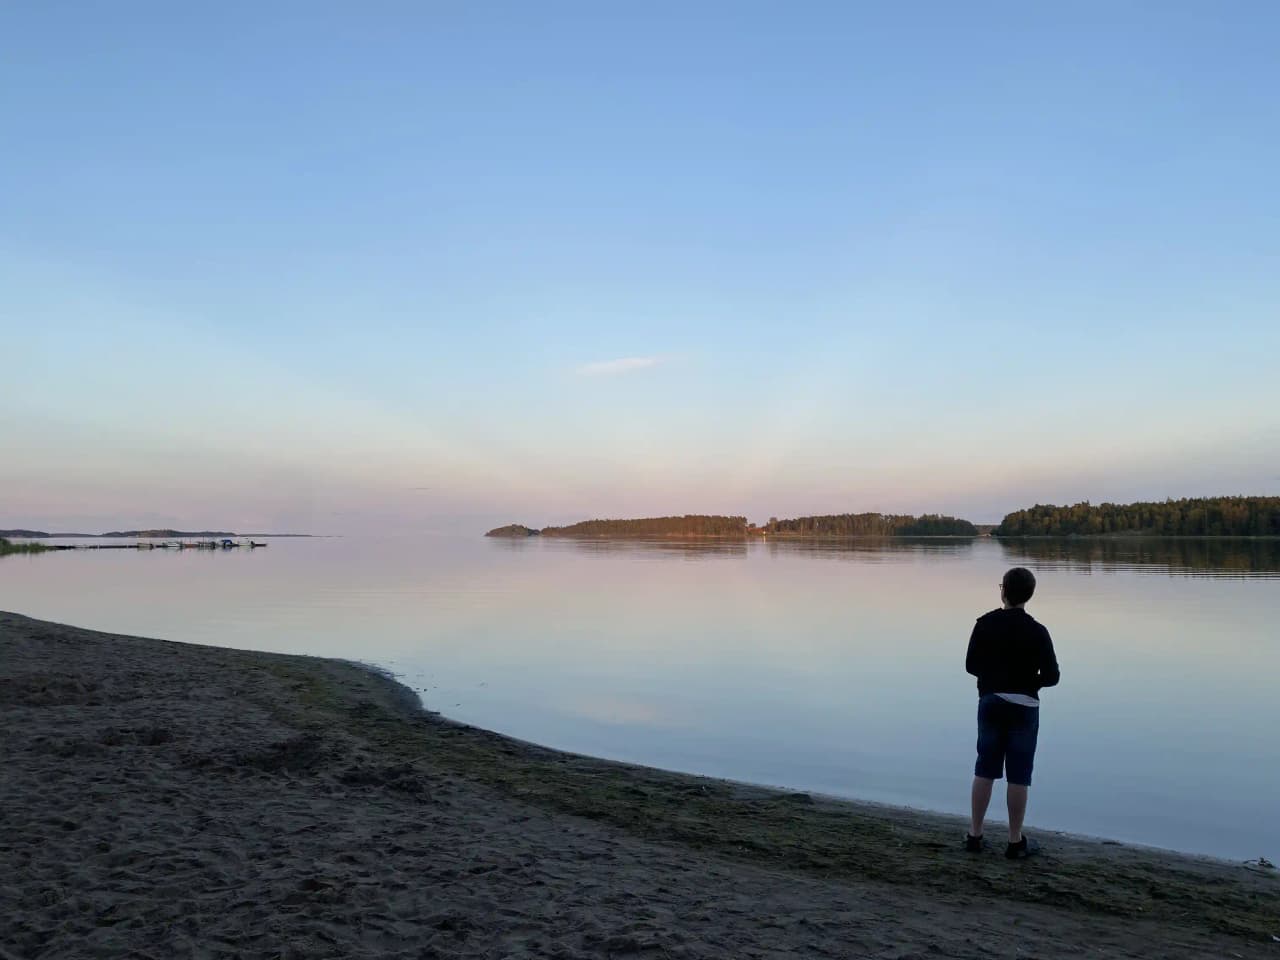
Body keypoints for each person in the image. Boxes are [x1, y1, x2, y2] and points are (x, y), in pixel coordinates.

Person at [964, 566, 1059, 859]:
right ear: (1029, 595)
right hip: (1025, 706)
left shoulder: (985, 623)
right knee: (1019, 775)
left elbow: (971, 665)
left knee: (985, 768)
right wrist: (1030, 682)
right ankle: (1014, 840)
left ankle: (975, 834)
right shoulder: (1038, 631)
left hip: (991, 700)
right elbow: (1052, 676)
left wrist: (994, 678)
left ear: (1003, 590)